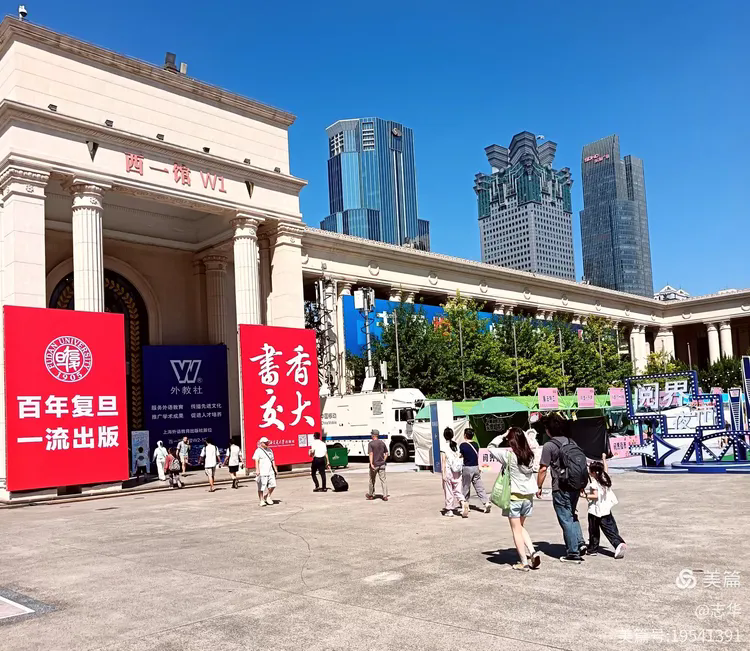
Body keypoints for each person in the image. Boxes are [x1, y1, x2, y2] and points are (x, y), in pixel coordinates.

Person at [537, 413, 588, 563]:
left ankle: (573, 553)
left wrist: (539, 486)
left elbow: (543, 469)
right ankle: (579, 543)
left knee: (565, 519)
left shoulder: (549, 446)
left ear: (549, 430)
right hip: (575, 485)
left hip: (560, 486)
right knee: (572, 514)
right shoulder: (571, 442)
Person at [491, 428, 541, 571]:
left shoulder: (508, 455)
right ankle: (532, 552)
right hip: (528, 497)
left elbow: (491, 447)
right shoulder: (530, 456)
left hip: (514, 496)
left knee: (516, 530)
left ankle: (523, 562)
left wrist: (502, 435)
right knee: (520, 527)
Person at [584, 454, 627, 559]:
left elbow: (594, 496)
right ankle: (619, 543)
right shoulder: (604, 478)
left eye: (590, 470)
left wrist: (584, 495)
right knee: (610, 528)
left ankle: (593, 549)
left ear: (593, 472)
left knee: (594, 531)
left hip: (595, 511)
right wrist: (603, 459)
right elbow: (605, 468)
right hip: (606, 509)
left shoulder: (594, 484)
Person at [460, 428, 491, 515]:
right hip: (476, 467)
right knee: (479, 486)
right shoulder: (476, 444)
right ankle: (486, 502)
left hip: (467, 468)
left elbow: (461, 455)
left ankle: (465, 504)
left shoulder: (463, 445)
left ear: (465, 435)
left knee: (466, 487)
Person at [441, 427, 467, 518]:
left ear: (444, 436)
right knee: (457, 489)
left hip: (448, 470)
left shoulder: (444, 446)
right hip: (457, 470)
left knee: (448, 490)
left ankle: (449, 510)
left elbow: (443, 461)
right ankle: (463, 502)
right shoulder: (456, 445)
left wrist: (443, 474)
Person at [252, 437, 278, 506]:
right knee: (261, 487)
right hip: (262, 472)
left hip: (270, 471)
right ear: (261, 443)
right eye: (265, 442)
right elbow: (256, 460)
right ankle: (261, 500)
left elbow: (272, 460)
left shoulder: (270, 450)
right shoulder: (258, 451)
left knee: (273, 485)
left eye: (267, 442)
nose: (267, 443)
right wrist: (257, 469)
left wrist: (275, 468)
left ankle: (267, 496)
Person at [366, 429, 389, 501]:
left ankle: (371, 495)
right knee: (383, 480)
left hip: (374, 465)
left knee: (372, 480)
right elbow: (386, 453)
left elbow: (371, 454)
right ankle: (385, 496)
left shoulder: (371, 444)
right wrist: (383, 460)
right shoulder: (382, 443)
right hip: (382, 464)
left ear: (373, 435)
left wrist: (371, 463)